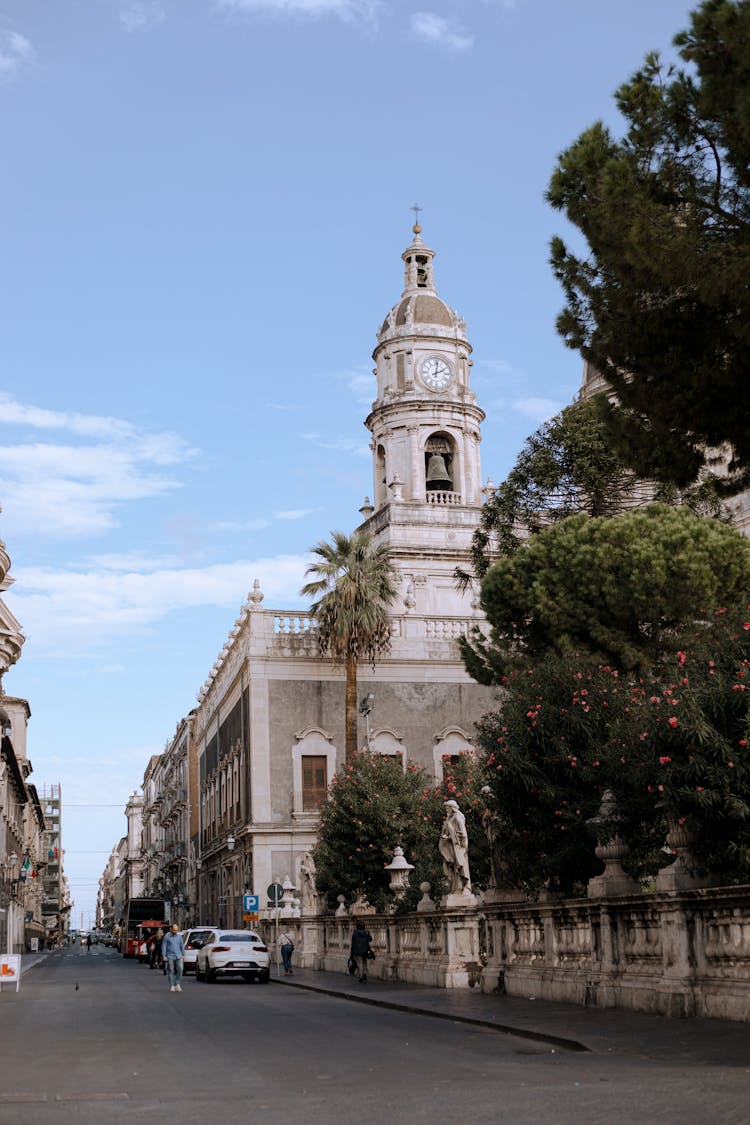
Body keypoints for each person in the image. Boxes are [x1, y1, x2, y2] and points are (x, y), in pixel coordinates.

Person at [439, 799, 472, 894]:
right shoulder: (449, 818)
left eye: (447, 807)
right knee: (452, 868)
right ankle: (454, 889)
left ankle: (460, 889)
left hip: (458, 848)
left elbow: (463, 834)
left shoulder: (457, 818)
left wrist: (449, 837)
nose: (446, 809)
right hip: (451, 847)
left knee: (459, 867)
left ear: (452, 808)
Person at [161, 924, 186, 992]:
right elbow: (164, 946)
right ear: (171, 929)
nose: (176, 931)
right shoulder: (167, 936)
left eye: (177, 930)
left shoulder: (179, 936)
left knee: (180, 969)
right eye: (174, 930)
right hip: (170, 956)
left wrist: (183, 955)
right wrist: (164, 955)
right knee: (171, 970)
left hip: (179, 955)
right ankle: (172, 985)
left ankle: (177, 984)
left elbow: (181, 946)